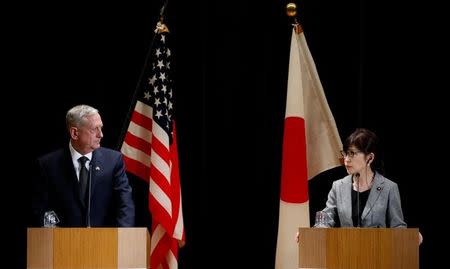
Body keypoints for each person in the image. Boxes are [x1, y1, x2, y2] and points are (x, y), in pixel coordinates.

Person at [30, 104, 135, 227]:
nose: (100, 134)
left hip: (106, 242)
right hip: (62, 242)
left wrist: (123, 236)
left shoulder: (113, 161)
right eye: (94, 129)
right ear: (75, 133)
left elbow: (125, 204)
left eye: (101, 128)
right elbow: (41, 208)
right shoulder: (47, 165)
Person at [313, 128, 422, 243]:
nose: (346, 160)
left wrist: (409, 236)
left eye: (352, 154)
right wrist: (312, 234)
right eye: (345, 154)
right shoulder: (338, 186)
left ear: (370, 158)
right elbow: (325, 220)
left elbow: (397, 226)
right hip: (345, 254)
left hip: (378, 254)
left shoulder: (389, 188)